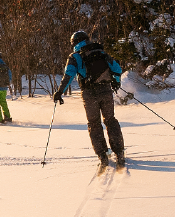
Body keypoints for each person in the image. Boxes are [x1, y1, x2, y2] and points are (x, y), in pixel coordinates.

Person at [53, 31, 126, 168]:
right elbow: (116, 68)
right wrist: (116, 81)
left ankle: (102, 154)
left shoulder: (75, 56)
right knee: (110, 120)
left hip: (89, 93)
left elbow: (68, 75)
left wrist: (60, 92)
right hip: (105, 90)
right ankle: (119, 151)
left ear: (74, 43)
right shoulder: (100, 51)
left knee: (94, 123)